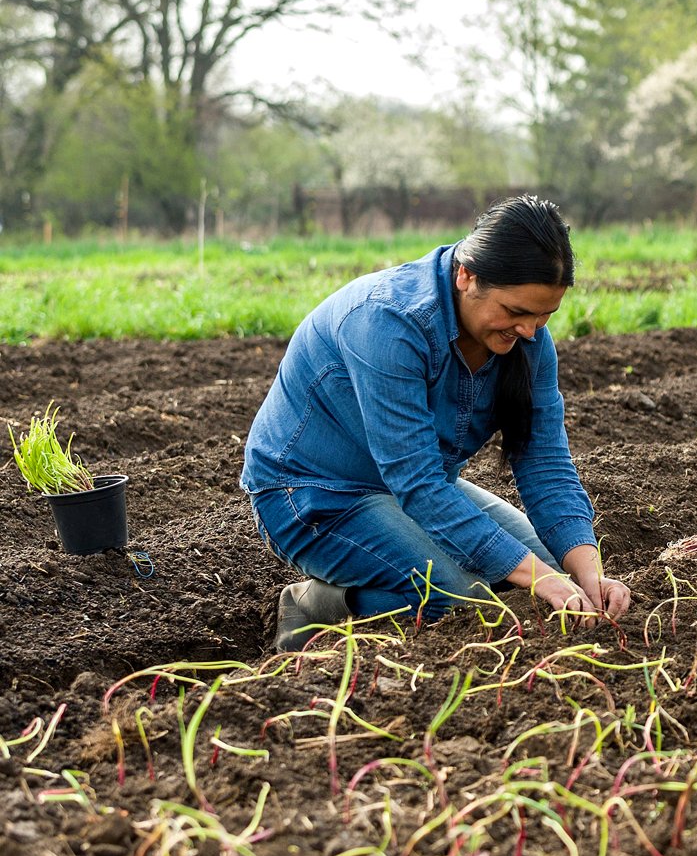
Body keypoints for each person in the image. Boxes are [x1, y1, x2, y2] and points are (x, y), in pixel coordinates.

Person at [241, 195, 631, 651]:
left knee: (556, 584)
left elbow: (544, 461)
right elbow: (417, 480)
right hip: (315, 492)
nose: (530, 330)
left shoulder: (528, 342)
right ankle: (316, 604)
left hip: (413, 488)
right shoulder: (387, 321)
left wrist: (589, 573)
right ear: (467, 275)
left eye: (545, 315)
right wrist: (537, 576)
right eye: (516, 311)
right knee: (463, 602)